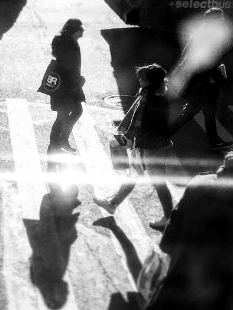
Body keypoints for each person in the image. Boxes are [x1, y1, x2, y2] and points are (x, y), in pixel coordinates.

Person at [146, 147, 233, 310]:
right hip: (207, 277)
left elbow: (176, 217)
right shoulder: (232, 201)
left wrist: (168, 251)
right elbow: (229, 250)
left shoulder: (200, 179)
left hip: (182, 262)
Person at [94, 64, 173, 230]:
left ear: (150, 82)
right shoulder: (147, 96)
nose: (139, 80)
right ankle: (112, 204)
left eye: (142, 78)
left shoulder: (155, 100)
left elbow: (153, 127)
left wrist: (132, 138)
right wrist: (130, 136)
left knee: (159, 184)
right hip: (145, 147)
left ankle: (169, 217)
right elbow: (138, 120)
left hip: (154, 149)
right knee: (133, 176)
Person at [168, 8, 233, 151]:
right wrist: (219, 75)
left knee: (201, 112)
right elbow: (207, 63)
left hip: (197, 82)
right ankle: (164, 135)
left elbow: (186, 57)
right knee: (200, 112)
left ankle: (214, 141)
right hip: (203, 83)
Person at [48, 18, 86, 154]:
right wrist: (77, 81)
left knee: (68, 113)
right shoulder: (68, 45)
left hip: (69, 85)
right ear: (75, 31)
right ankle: (58, 141)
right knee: (65, 114)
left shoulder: (70, 43)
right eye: (81, 28)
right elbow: (67, 67)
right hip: (65, 87)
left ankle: (59, 140)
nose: (83, 31)